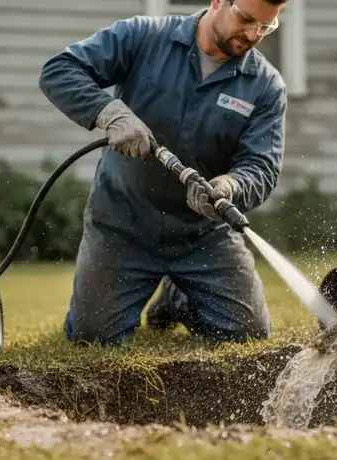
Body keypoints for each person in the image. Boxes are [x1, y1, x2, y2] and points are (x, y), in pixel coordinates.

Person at [38, 0, 288, 346]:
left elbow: (262, 166)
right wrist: (108, 112)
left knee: (248, 334)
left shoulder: (265, 86)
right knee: (93, 338)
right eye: (245, 19)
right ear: (217, 2)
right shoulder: (144, 36)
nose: (253, 34)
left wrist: (231, 185)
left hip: (203, 235)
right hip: (122, 225)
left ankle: (179, 299)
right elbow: (59, 70)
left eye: (265, 27)